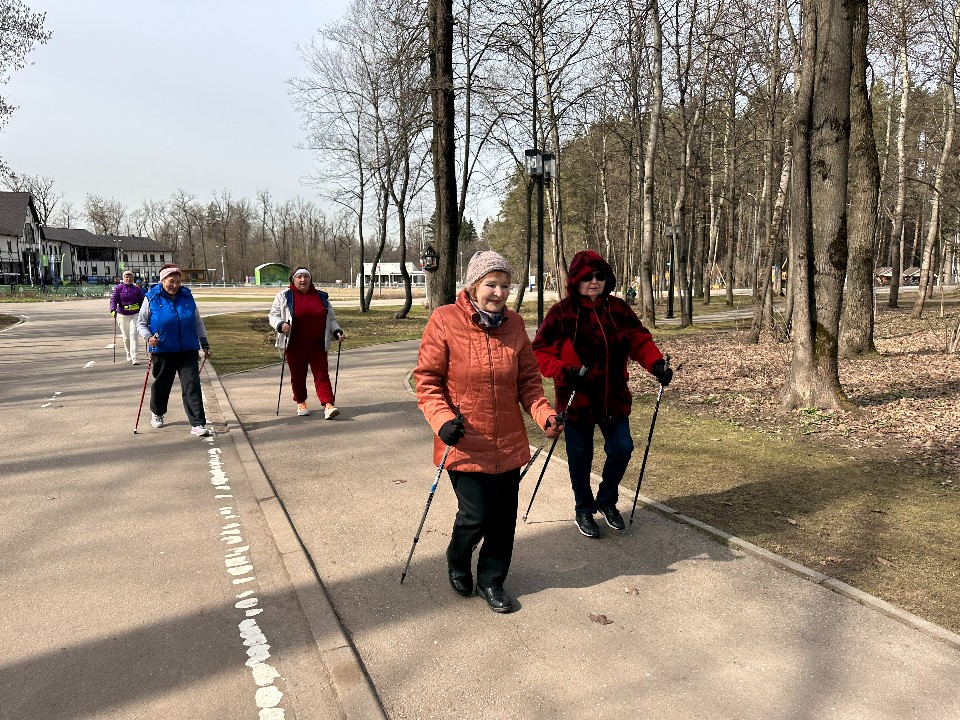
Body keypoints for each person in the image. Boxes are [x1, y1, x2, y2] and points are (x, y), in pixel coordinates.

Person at [414, 250, 563, 613]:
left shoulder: (514, 324)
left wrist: (544, 414)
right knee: (475, 515)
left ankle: (492, 580)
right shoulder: (445, 320)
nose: (498, 293)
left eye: (505, 286)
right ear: (474, 285)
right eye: (491, 284)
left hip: (508, 442)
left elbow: (528, 381)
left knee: (502, 518)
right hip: (463, 439)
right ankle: (457, 557)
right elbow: (428, 381)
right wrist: (441, 420)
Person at [532, 250, 672, 539]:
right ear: (575, 280)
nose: (594, 282)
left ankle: (607, 501)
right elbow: (540, 352)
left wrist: (656, 364)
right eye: (587, 277)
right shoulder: (561, 313)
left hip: (613, 397)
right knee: (580, 457)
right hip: (577, 399)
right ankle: (583, 509)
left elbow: (640, 341)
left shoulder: (618, 310)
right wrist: (564, 371)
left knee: (622, 448)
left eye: (600, 276)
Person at [137, 264, 213, 437]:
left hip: (188, 349)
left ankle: (197, 423)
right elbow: (140, 323)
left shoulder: (187, 296)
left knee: (191, 385)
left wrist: (205, 343)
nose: (175, 285)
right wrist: (149, 337)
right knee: (162, 385)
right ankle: (157, 412)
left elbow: (197, 322)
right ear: (162, 280)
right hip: (163, 349)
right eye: (171, 281)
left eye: (178, 282)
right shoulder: (152, 297)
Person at [268, 267, 345, 420]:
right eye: (299, 277)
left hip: (317, 344)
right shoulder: (284, 296)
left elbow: (331, 320)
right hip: (294, 344)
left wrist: (337, 332)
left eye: (305, 277)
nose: (303, 280)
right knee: (298, 376)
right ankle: (301, 402)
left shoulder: (321, 297)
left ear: (310, 279)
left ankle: (328, 404)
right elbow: (273, 315)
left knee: (322, 375)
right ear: (293, 279)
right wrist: (280, 325)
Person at [110, 270, 146, 364]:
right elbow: (113, 300)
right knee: (126, 337)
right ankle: (128, 354)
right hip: (122, 314)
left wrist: (145, 312)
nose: (128, 279)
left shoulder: (137, 289)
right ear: (123, 278)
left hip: (135, 314)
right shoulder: (118, 288)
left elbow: (142, 302)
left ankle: (135, 357)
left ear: (133, 278)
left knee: (133, 335)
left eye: (130, 277)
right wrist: (113, 310)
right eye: (126, 277)